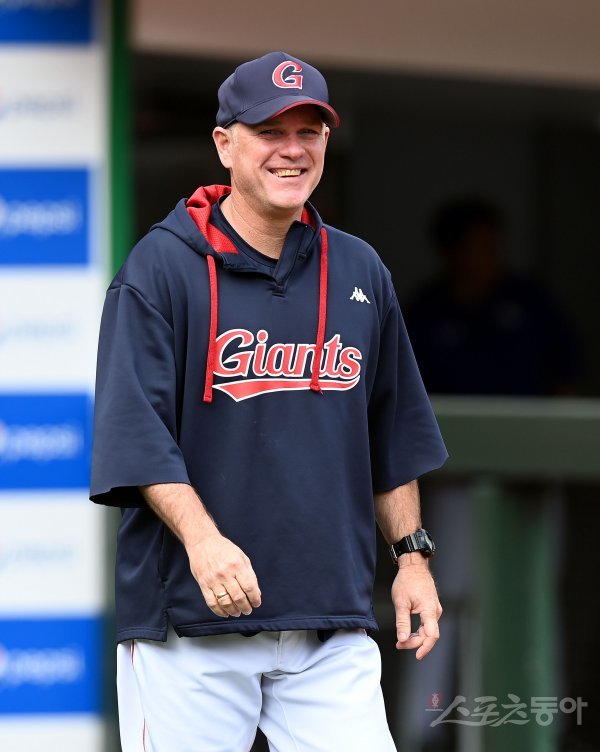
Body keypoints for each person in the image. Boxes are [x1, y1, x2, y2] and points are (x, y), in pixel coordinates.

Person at [90, 51, 448, 752]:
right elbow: (136, 433)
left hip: (329, 622)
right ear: (225, 144)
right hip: (191, 623)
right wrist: (203, 541)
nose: (292, 149)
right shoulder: (160, 268)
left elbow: (391, 429)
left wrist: (412, 559)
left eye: (308, 131)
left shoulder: (359, 268)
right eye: (269, 131)